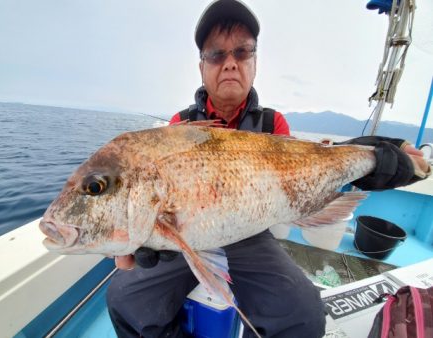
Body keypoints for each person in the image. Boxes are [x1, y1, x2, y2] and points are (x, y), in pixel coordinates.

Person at [107, 1, 431, 337]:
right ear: (202, 67)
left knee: (303, 315)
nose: (230, 63)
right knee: (124, 297)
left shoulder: (271, 122)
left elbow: (307, 166)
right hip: (186, 237)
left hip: (249, 233)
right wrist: (143, 231)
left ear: (254, 63)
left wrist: (373, 153)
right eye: (217, 55)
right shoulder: (180, 125)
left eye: (242, 52)